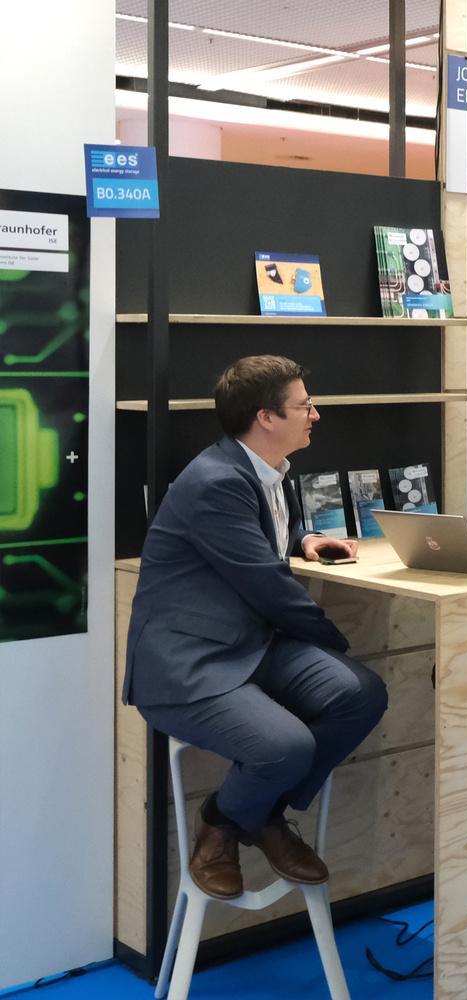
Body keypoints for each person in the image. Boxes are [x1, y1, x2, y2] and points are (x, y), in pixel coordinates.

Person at [124, 356, 389, 901]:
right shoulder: (216, 482)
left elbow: (257, 541)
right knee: (286, 747)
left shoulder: (265, 470)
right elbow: (268, 586)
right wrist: (335, 643)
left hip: (250, 644)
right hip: (187, 663)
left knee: (361, 694)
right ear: (266, 417)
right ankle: (223, 821)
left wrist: (302, 539)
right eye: (305, 405)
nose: (315, 414)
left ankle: (255, 812)